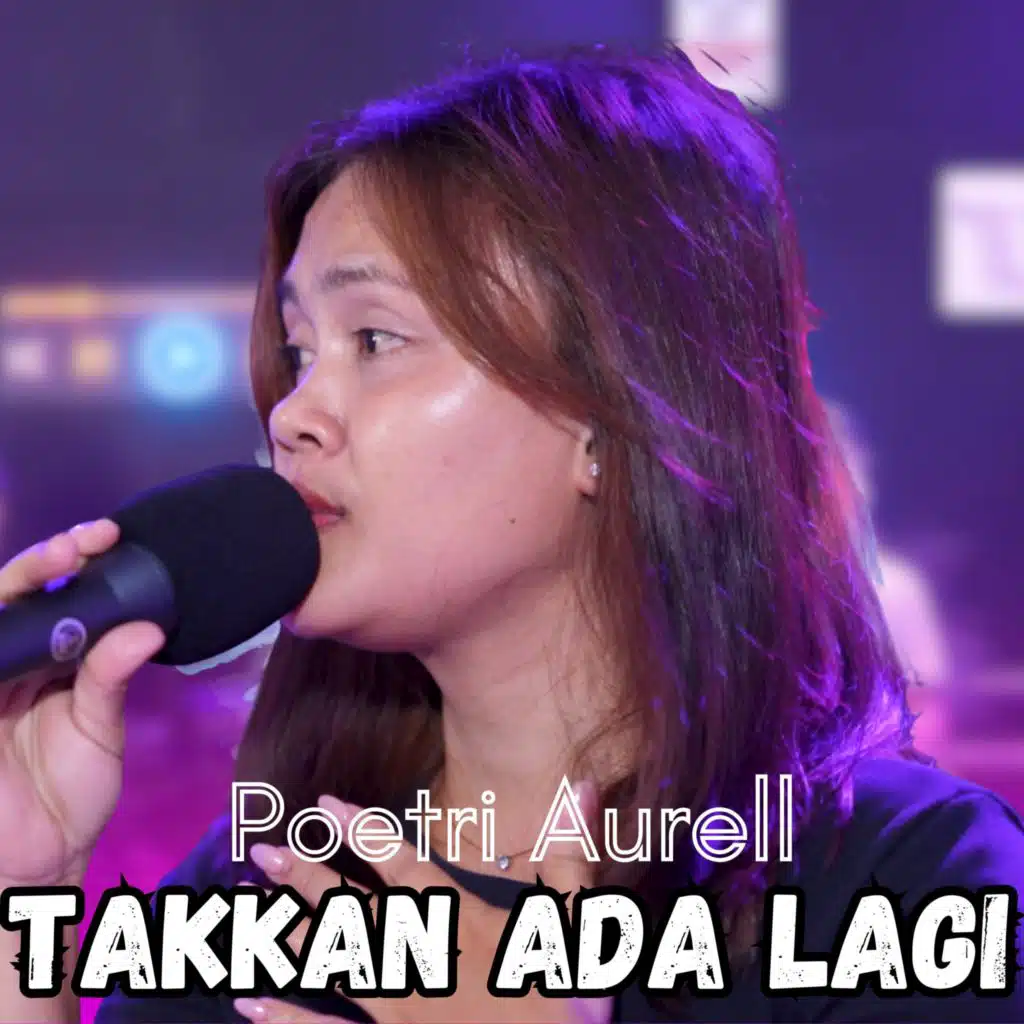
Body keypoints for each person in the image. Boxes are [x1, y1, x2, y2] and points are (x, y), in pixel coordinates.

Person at [1, 46, 1021, 1024]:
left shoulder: (908, 882)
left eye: (375, 338)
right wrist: (24, 892)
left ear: (607, 419)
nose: (294, 413)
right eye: (301, 352)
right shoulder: (272, 881)